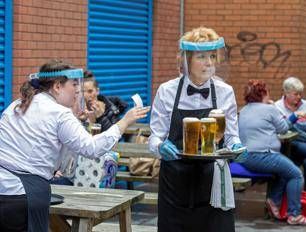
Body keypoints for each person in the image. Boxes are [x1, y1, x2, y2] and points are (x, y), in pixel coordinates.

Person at [0, 60, 150, 232]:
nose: (78, 91)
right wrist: (125, 121)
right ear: (57, 86)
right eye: (74, 85)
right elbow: (92, 148)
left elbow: (26, 144)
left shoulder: (17, 104)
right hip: (22, 196)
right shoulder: (60, 113)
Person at [149, 27, 244, 232]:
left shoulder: (225, 91)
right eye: (201, 57)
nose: (209, 63)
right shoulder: (167, 90)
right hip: (174, 181)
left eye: (212, 56)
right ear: (186, 60)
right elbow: (155, 137)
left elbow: (231, 134)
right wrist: (160, 147)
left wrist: (235, 145)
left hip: (213, 181)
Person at [238, 79, 306, 225]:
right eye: (267, 91)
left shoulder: (244, 110)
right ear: (263, 93)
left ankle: (273, 201)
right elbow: (283, 128)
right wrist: (294, 116)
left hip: (245, 158)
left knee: (284, 171)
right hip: (263, 156)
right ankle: (294, 214)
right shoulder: (269, 109)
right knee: (296, 174)